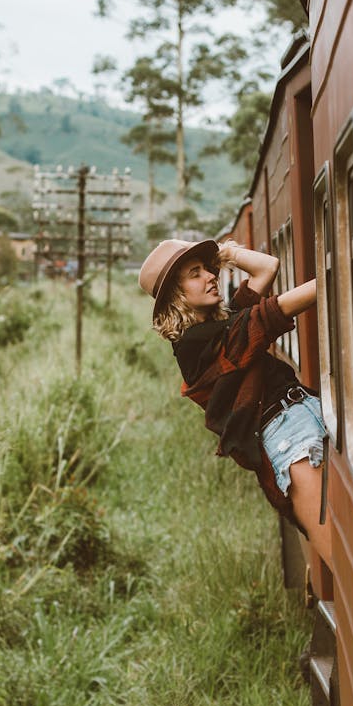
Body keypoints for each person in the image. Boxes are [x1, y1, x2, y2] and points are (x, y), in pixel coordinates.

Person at [139, 237, 331, 564]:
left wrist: (225, 254)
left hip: (309, 412)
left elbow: (267, 267)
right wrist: (338, 272)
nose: (211, 276)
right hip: (290, 439)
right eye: (195, 273)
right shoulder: (195, 346)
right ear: (176, 294)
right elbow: (273, 311)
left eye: (208, 269)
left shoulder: (222, 325)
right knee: (342, 556)